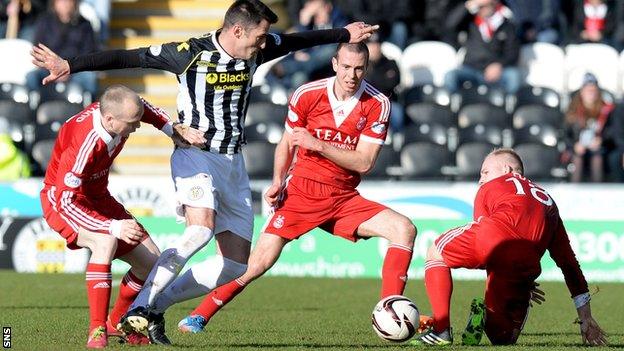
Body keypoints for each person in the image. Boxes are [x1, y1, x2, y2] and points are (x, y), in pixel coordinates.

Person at [31, 0, 379, 344]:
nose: (264, 43)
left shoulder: (257, 50)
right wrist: (69, 65)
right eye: (259, 36)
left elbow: (295, 41)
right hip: (195, 155)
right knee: (200, 232)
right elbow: (128, 56)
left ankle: (151, 308)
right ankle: (138, 307)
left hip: (233, 163)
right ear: (237, 30)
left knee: (234, 266)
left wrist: (341, 33)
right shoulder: (189, 53)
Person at [171, 42, 417, 334]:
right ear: (335, 63)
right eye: (347, 67)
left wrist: (319, 145)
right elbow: (287, 142)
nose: (352, 75)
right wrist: (277, 181)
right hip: (302, 192)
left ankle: (389, 312)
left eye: (360, 68)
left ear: (367, 68)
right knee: (257, 263)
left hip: (344, 198)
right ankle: (200, 314)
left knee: (404, 229)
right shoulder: (308, 94)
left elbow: (364, 162)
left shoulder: (378, 104)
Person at [39, 85, 206, 349]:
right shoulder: (85, 141)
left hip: (98, 198)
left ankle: (116, 323)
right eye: (132, 123)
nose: (137, 127)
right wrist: (113, 226)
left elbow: (143, 107)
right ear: (109, 120)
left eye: (136, 121)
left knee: (152, 263)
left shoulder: (118, 113)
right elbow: (65, 201)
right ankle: (96, 332)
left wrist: (171, 130)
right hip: (63, 203)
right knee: (105, 242)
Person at [410, 148, 607, 346]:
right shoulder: (549, 202)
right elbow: (569, 264)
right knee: (503, 338)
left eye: (485, 172)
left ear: (506, 169)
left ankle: (441, 329)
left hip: (494, 243)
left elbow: (486, 240)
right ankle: (486, 316)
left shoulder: (491, 186)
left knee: (435, 253)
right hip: (525, 264)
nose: (481, 180)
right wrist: (585, 317)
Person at [443, 0, 521, 95]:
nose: (482, 8)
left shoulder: (506, 25)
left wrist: (499, 65)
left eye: (486, 5)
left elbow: (513, 52)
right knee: (450, 76)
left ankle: (509, 105)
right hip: (471, 68)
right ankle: (455, 105)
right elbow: (450, 25)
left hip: (497, 69)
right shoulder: (470, 22)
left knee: (513, 76)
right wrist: (469, 4)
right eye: (480, 6)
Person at [26, 0, 99, 98]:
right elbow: (38, 49)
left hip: (75, 70)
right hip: (48, 69)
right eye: (61, 1)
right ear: (54, 3)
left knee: (89, 79)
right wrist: (54, 69)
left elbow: (89, 52)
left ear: (75, 3)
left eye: (68, 1)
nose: (65, 4)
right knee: (31, 77)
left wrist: (69, 68)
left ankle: (89, 110)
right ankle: (33, 110)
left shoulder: (84, 24)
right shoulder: (44, 22)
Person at [564, 72, 614, 183]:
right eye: (588, 91)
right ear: (582, 92)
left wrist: (601, 140)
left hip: (598, 150)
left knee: (597, 158)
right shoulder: (573, 110)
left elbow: (612, 132)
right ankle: (574, 192)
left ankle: (597, 192)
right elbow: (565, 135)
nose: (591, 94)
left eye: (593, 91)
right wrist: (575, 145)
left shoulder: (606, 110)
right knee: (577, 159)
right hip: (578, 150)